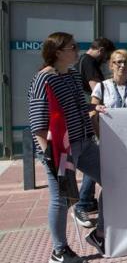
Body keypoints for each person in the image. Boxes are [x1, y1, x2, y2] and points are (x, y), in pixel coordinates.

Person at [28, 32, 105, 263]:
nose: (77, 50)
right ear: (58, 52)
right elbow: (38, 125)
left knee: (114, 179)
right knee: (61, 199)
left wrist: (94, 110)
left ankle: (99, 234)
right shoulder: (43, 80)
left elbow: (81, 108)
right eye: (72, 47)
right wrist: (50, 158)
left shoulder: (71, 75)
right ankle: (59, 251)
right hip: (60, 150)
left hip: (84, 143)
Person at [73, 37, 114, 229]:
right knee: (96, 161)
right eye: (107, 57)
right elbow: (95, 88)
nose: (106, 62)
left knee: (97, 160)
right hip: (92, 115)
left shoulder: (82, 60)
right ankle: (82, 203)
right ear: (102, 50)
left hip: (88, 114)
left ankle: (87, 201)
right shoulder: (88, 62)